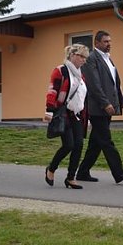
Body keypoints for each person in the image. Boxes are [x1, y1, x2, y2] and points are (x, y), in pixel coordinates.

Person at [74, 31, 123, 184]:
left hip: (107, 106)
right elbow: (94, 85)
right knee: (106, 140)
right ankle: (118, 173)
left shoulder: (108, 59)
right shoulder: (92, 59)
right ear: (97, 43)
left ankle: (82, 172)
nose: (109, 44)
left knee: (96, 141)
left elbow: (114, 82)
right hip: (97, 108)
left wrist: (120, 99)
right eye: (106, 41)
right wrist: (105, 103)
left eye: (110, 41)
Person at [45, 44, 89, 189]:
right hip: (63, 112)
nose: (83, 60)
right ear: (71, 55)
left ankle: (71, 177)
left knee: (78, 145)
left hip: (76, 115)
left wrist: (85, 117)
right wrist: (49, 110)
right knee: (68, 145)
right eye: (81, 56)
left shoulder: (81, 75)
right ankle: (51, 168)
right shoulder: (61, 71)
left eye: (85, 57)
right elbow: (52, 90)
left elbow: (82, 97)